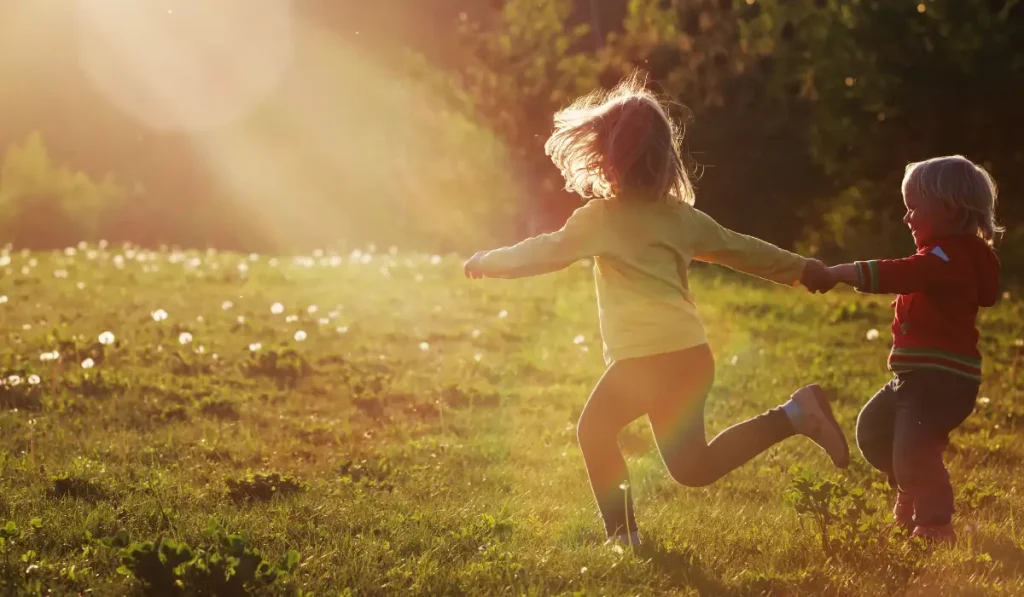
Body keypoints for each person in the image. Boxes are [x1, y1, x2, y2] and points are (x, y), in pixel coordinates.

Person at [462, 72, 848, 547]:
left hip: (646, 360)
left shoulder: (600, 220)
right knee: (694, 468)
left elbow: (543, 252)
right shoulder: (682, 220)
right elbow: (744, 249)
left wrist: (486, 262)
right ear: (665, 157)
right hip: (689, 358)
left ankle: (624, 538)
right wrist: (804, 270)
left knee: (594, 431)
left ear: (606, 159)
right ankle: (794, 415)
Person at [821, 155, 1002, 543]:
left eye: (913, 208)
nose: (906, 218)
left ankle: (936, 524)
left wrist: (841, 272)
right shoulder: (947, 257)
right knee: (872, 431)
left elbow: (901, 272)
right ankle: (912, 488)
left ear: (950, 209)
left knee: (915, 452)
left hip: (939, 381)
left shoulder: (948, 257)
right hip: (916, 378)